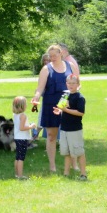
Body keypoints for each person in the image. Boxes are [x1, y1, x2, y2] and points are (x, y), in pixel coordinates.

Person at [31, 44, 78, 172]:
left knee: (70, 135)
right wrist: (36, 98)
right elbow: (40, 88)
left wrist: (74, 94)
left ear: (61, 54)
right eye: (50, 56)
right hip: (50, 104)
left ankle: (74, 165)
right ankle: (52, 166)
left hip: (67, 103)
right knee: (51, 135)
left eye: (55, 55)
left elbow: (78, 84)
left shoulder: (71, 66)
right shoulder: (46, 69)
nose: (52, 58)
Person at [52, 74, 87, 180]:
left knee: (79, 152)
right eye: (69, 83)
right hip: (64, 128)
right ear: (66, 84)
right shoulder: (65, 95)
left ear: (78, 84)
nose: (71, 85)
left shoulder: (80, 97)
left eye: (73, 83)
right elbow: (61, 107)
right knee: (66, 152)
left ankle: (83, 174)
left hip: (75, 129)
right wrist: (58, 111)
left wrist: (66, 110)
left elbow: (80, 113)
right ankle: (66, 173)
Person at [12, 96, 37, 180]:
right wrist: (31, 126)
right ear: (22, 106)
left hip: (17, 137)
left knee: (17, 157)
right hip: (22, 138)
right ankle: (20, 175)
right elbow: (22, 128)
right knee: (21, 158)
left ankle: (16, 174)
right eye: (25, 104)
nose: (27, 105)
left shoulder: (15, 114)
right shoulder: (23, 116)